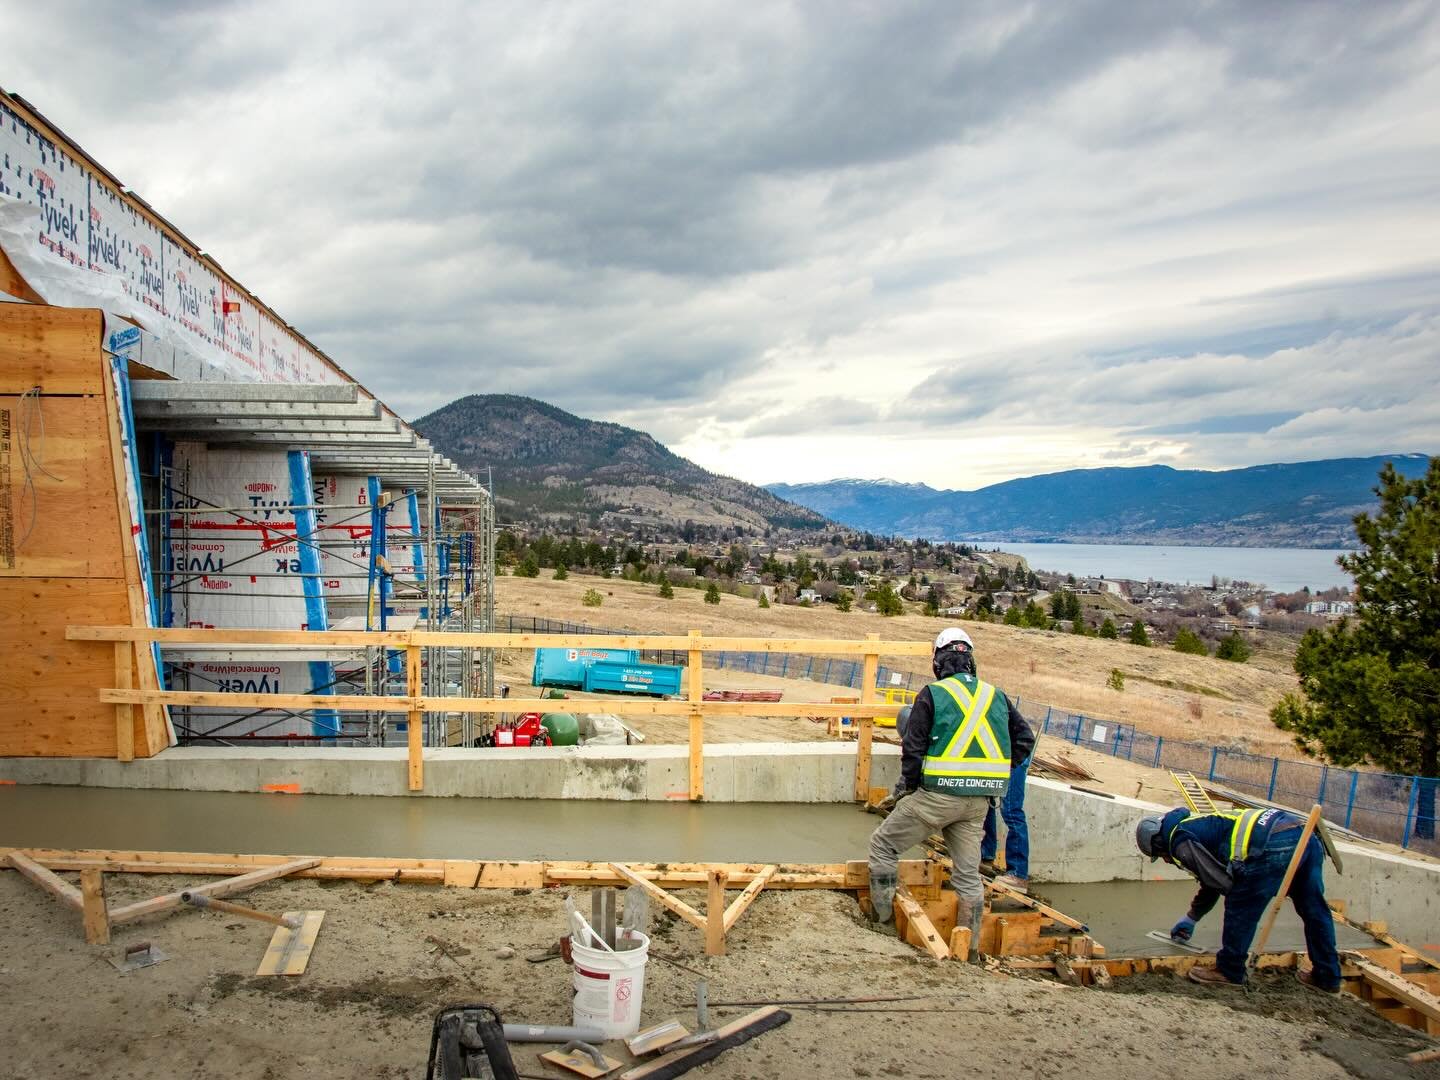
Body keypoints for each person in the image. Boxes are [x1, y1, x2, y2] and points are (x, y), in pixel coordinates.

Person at [868, 627, 1035, 961]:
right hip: (977, 806)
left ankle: (881, 925)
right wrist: (994, 774)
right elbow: (1024, 740)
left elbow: (913, 749)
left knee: (883, 846)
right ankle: (969, 951)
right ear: (970, 659)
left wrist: (909, 789)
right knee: (968, 876)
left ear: (938, 661)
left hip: (936, 798)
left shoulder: (933, 694)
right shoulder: (995, 696)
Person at [1135, 806, 1341, 991]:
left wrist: (1194, 916)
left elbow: (1218, 882)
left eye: (1160, 855)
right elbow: (1211, 876)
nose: (1165, 860)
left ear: (1158, 843)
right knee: (1314, 909)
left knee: (1240, 902)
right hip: (1301, 833)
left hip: (1271, 845)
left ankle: (1229, 970)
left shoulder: (1179, 841)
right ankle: (1327, 976)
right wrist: (1193, 916)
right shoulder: (1194, 823)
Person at [980, 740, 1032, 893]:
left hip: (1014, 756)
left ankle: (1018, 874)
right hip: (996, 756)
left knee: (1011, 811)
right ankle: (986, 853)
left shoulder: (1014, 727)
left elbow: (1025, 737)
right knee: (985, 800)